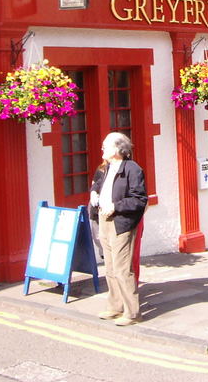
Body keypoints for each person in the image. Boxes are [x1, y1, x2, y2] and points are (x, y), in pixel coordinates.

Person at [89, 132, 147, 326]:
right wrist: (94, 194)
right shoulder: (106, 168)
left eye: (105, 146)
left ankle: (132, 313)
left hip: (121, 222)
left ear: (117, 149)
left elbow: (139, 200)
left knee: (123, 269)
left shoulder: (132, 169)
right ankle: (115, 307)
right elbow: (97, 185)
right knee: (111, 268)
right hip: (103, 220)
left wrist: (116, 206)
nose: (102, 149)